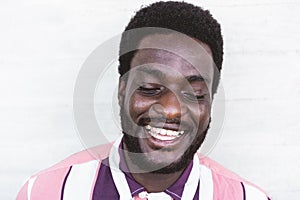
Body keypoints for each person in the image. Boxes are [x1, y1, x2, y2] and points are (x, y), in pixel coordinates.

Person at [17, 1, 271, 199]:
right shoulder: (44, 192)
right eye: (150, 88)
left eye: (194, 94)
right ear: (122, 89)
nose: (171, 110)